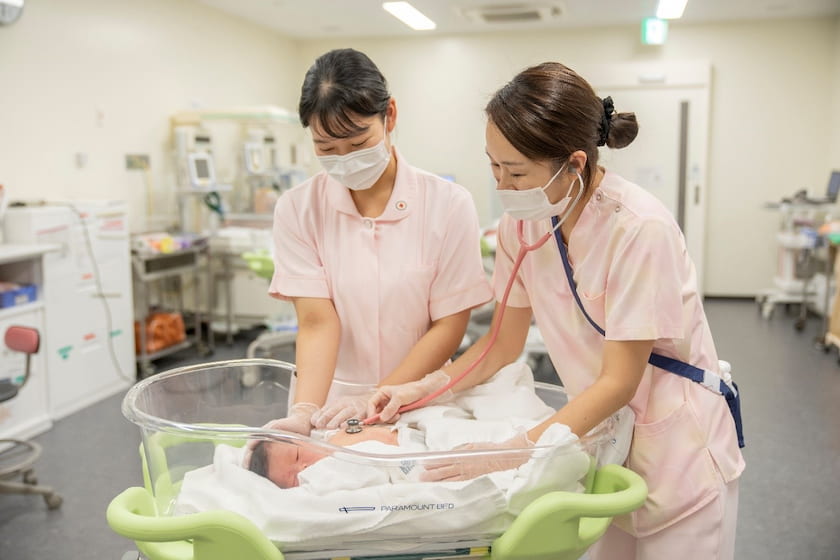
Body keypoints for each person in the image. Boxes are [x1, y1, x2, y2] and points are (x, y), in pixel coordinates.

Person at [367, 62, 745, 560]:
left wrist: (512, 452)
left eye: (517, 171)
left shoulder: (637, 229)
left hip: (678, 450)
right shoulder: (521, 227)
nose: (503, 185)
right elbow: (502, 343)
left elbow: (619, 381)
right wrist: (420, 389)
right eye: (493, 166)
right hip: (601, 440)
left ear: (575, 163)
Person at [267, 48, 492, 434]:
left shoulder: (448, 204)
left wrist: (381, 393)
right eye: (326, 148)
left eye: (357, 143)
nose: (344, 159)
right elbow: (318, 322)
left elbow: (449, 324)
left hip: (419, 397)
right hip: (330, 401)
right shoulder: (298, 208)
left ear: (389, 116)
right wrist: (305, 411)